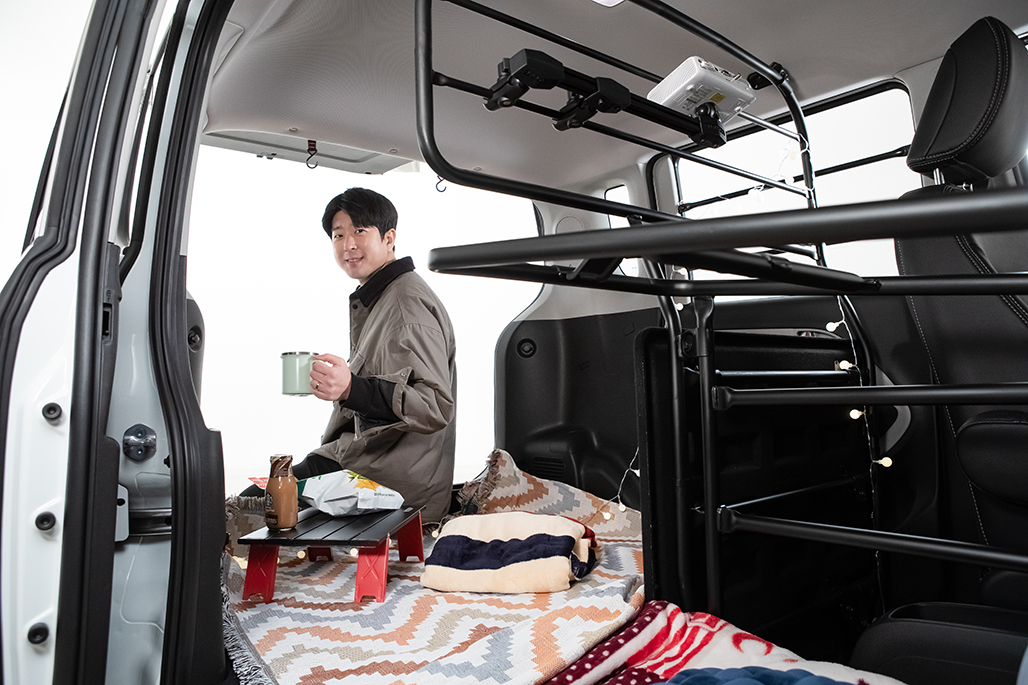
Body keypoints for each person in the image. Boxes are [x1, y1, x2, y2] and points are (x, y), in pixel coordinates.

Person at [243, 188, 457, 523]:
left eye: (359, 231)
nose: (348, 245)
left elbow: (434, 406)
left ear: (389, 238)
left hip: (387, 477)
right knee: (261, 498)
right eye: (338, 235)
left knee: (251, 509)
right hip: (361, 458)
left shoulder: (405, 304)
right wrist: (341, 384)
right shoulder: (382, 296)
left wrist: (350, 389)